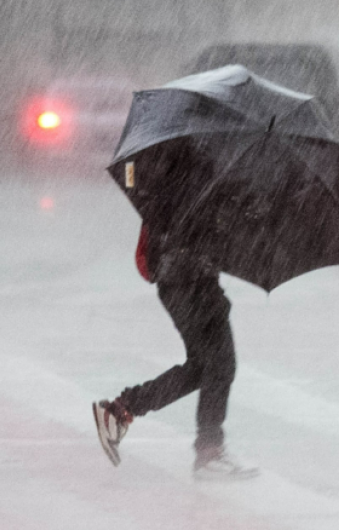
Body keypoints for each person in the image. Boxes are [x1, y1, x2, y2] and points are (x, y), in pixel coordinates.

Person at [92, 149, 259, 481]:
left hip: (182, 276)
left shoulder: (178, 159)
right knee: (220, 365)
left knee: (204, 367)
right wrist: (238, 202)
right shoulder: (193, 164)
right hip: (189, 278)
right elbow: (199, 220)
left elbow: (186, 216)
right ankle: (209, 453)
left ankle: (120, 411)